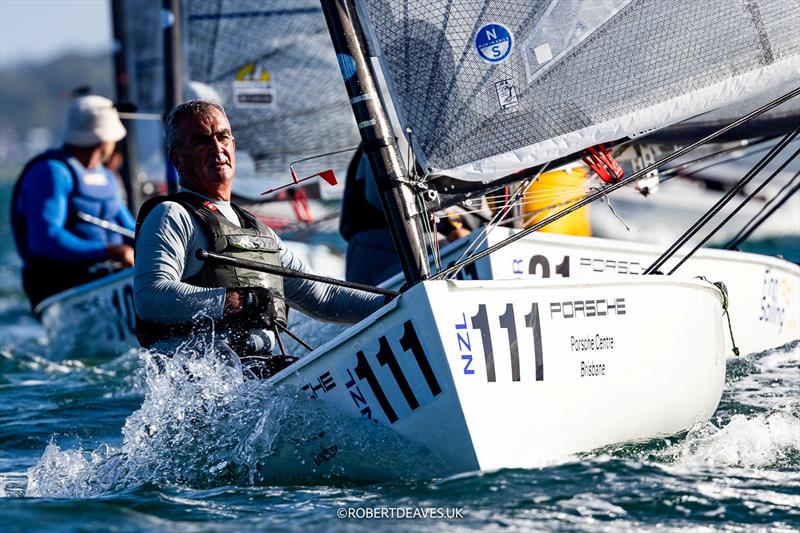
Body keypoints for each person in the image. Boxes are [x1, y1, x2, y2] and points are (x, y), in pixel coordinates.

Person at [134, 100, 384, 377]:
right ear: (177, 158)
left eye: (223, 137)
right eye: (201, 141)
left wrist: (399, 301)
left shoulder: (259, 231)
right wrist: (240, 301)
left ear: (233, 144)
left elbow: (324, 298)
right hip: (205, 387)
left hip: (257, 376)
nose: (217, 148)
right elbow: (150, 297)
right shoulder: (172, 215)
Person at [11, 95, 135, 309]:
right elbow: (45, 240)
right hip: (61, 284)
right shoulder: (51, 172)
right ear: (106, 139)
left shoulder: (106, 177)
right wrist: (109, 251)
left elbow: (133, 231)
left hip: (107, 275)